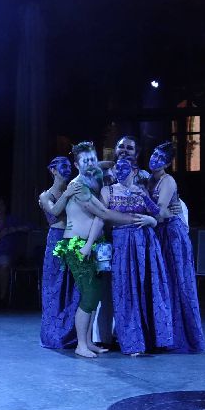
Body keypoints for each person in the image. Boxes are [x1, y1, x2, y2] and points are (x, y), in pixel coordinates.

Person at [53, 142, 156, 358]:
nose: (91, 164)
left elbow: (103, 166)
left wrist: (111, 162)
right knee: (89, 295)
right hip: (78, 245)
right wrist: (138, 220)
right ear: (76, 164)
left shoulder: (93, 179)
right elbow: (104, 214)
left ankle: (89, 341)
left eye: (92, 159)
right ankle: (81, 344)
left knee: (95, 294)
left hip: (94, 245)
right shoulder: (79, 187)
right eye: (85, 161)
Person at [98, 158, 173, 355]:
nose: (120, 171)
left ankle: (149, 339)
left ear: (134, 171)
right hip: (121, 245)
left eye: (125, 168)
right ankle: (131, 341)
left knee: (143, 289)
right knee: (124, 291)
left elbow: (158, 215)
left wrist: (151, 220)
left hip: (144, 245)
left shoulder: (141, 190)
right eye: (118, 168)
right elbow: (102, 216)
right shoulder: (108, 191)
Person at [148, 142, 204, 353]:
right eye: (154, 154)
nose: (155, 159)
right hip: (159, 233)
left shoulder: (168, 181)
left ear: (167, 164)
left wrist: (143, 205)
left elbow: (160, 212)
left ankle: (177, 337)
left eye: (161, 158)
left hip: (171, 236)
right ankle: (162, 335)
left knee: (174, 282)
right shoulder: (149, 179)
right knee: (161, 284)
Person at [38, 156, 81, 348]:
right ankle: (53, 336)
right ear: (53, 170)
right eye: (63, 166)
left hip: (74, 239)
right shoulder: (45, 195)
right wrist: (67, 194)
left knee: (73, 286)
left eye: (69, 166)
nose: (67, 169)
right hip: (56, 240)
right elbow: (54, 212)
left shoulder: (74, 190)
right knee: (55, 286)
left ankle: (72, 334)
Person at [0, 197, 28, 304]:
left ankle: (2, 298)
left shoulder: (11, 220)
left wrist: (16, 229)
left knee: (4, 265)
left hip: (4, 253)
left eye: (2, 205)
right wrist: (1, 234)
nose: (0, 208)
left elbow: (30, 226)